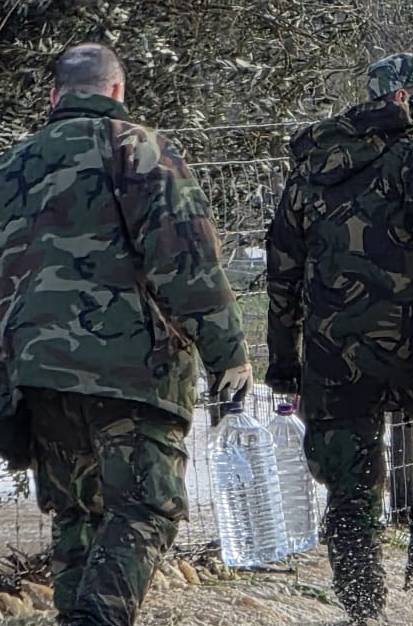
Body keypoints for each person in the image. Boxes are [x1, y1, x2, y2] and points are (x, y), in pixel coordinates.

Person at [0, 43, 251, 626]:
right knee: (146, 505)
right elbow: (186, 263)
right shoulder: (139, 148)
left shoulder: (12, 164)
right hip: (130, 370)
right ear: (117, 91)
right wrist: (228, 355)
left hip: (35, 372)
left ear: (53, 95)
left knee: (76, 512)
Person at [265, 52, 413, 623]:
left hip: (333, 353)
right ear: (405, 99)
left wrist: (284, 359)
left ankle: (363, 606)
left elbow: (282, 270)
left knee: (351, 479)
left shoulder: (311, 163)